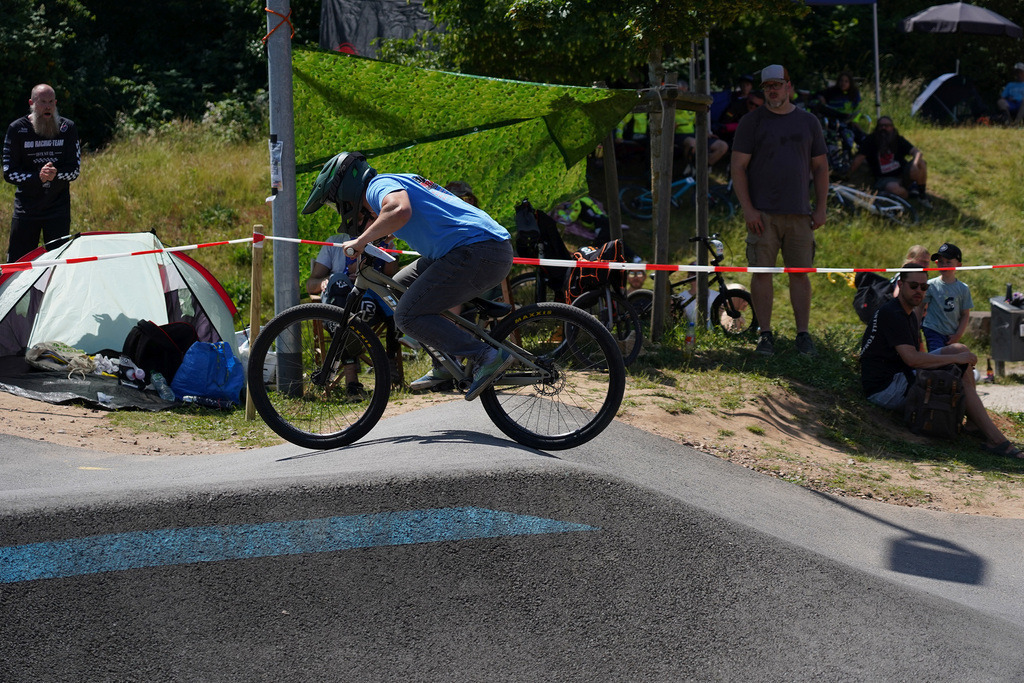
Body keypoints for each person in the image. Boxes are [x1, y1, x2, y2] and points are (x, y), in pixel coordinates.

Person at [301, 152, 514, 401]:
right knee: (397, 287)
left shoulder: (376, 188)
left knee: (406, 316)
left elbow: (400, 210)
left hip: (477, 251)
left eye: (335, 204)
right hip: (472, 249)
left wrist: (361, 241)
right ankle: (446, 362)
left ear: (345, 191)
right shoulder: (394, 182)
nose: (341, 211)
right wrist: (376, 239)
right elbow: (413, 217)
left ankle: (484, 355)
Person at [859, 266, 1021, 459]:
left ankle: (973, 424)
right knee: (957, 369)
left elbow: (914, 358)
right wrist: (955, 360)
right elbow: (912, 359)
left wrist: (957, 357)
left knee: (959, 349)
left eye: (924, 287)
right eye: (913, 286)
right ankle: (997, 440)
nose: (919, 291)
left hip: (901, 375)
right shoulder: (893, 314)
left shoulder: (908, 313)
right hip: (885, 389)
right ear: (900, 284)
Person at [731, 64, 829, 357]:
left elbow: (821, 167)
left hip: (800, 213)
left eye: (777, 84)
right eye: (767, 86)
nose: (772, 90)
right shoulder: (752, 121)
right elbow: (737, 167)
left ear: (789, 86)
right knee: (762, 273)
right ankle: (765, 335)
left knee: (800, 274)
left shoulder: (809, 121)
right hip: (762, 215)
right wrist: (748, 210)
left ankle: (803, 335)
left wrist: (821, 207)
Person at [3, 83, 81, 263]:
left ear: (56, 103)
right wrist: (37, 177)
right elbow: (9, 172)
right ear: (31, 103)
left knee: (58, 263)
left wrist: (56, 174)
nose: (48, 107)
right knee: (18, 263)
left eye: (51, 102)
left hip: (57, 209)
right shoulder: (17, 129)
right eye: (42, 102)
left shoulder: (67, 128)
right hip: (26, 209)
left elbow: (74, 170)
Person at [849, 117, 928, 203]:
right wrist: (847, 175)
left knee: (921, 163)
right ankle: (910, 194)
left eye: (887, 126)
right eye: (881, 126)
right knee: (893, 189)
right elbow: (859, 159)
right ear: (877, 128)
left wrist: (914, 164)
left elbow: (917, 152)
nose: (883, 128)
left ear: (892, 127)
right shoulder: (870, 141)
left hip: (903, 173)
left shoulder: (898, 139)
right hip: (885, 179)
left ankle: (922, 195)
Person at [921, 243, 973, 353]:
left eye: (948, 262)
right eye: (941, 262)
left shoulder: (963, 288)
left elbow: (965, 314)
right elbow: (920, 307)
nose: (944, 265)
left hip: (951, 333)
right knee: (938, 356)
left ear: (959, 265)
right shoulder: (930, 285)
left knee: (950, 358)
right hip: (933, 330)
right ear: (936, 263)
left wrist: (958, 334)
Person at [674, 81, 729, 171]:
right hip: (678, 135)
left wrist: (706, 133)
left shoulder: (691, 105)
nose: (682, 95)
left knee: (722, 146)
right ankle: (689, 168)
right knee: (693, 143)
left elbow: (698, 122)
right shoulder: (670, 105)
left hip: (694, 134)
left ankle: (702, 168)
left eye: (684, 92)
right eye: (680, 92)